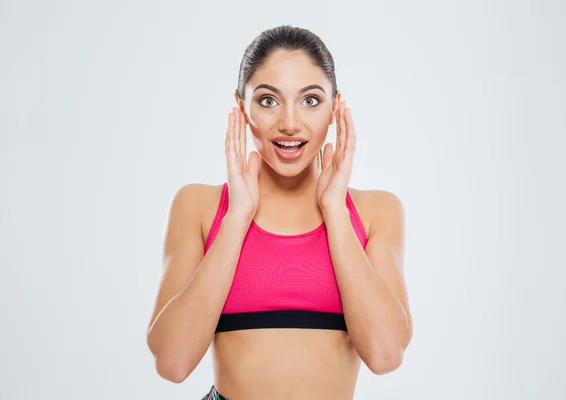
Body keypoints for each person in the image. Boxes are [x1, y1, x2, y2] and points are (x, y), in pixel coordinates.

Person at [146, 25, 413, 399]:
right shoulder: (200, 206)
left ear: (336, 108)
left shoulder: (375, 211)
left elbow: (385, 355)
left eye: (311, 100)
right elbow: (172, 362)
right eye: (269, 100)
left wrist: (334, 209)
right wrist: (237, 217)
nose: (290, 122)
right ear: (241, 107)